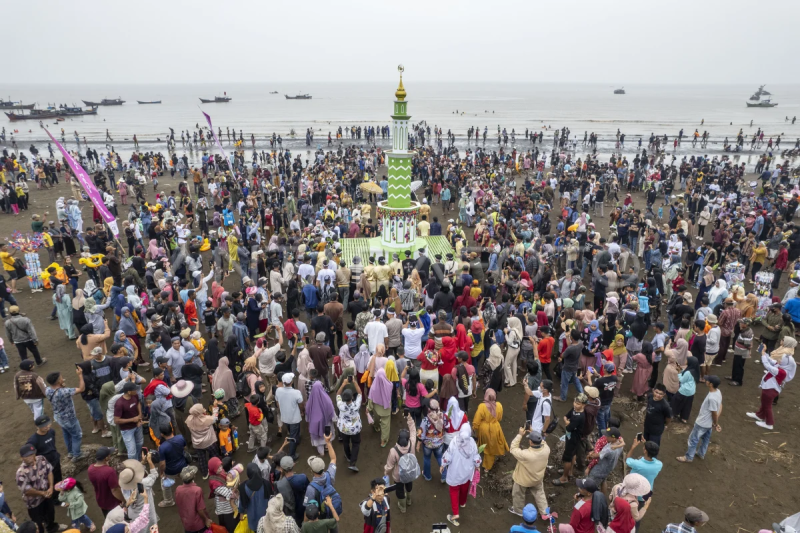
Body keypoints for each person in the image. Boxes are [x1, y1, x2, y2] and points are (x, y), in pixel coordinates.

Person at [16, 443, 64, 533]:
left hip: (47, 495)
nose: (30, 457)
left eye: (32, 454)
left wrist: (50, 487)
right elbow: (27, 491)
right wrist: (42, 493)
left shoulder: (41, 459)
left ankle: (52, 527)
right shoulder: (21, 472)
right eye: (27, 456)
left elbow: (49, 471)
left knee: (50, 513)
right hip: (34, 503)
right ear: (21, 458)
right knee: (38, 524)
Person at [440, 424, 482, 527]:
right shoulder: (472, 442)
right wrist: (477, 466)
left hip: (455, 472)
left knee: (454, 492)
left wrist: (443, 465)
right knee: (464, 488)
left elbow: (448, 456)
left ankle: (455, 514)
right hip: (466, 473)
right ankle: (462, 503)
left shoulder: (455, 441)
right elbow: (476, 456)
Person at [677, 375, 722, 463]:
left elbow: (714, 413)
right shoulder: (718, 392)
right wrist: (714, 422)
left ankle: (689, 457)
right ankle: (701, 453)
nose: (706, 381)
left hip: (702, 423)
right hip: (708, 424)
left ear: (711, 384)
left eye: (707, 380)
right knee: (706, 438)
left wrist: (716, 423)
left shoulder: (712, 398)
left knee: (693, 439)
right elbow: (720, 406)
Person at [44, 368, 86, 461]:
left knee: (66, 434)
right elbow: (81, 389)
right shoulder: (64, 391)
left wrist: (61, 385)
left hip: (58, 417)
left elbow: (57, 389)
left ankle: (70, 452)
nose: (63, 378)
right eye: (61, 378)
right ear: (58, 380)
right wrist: (80, 375)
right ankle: (77, 454)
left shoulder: (47, 390)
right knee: (76, 435)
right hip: (69, 418)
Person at [746, 345, 791, 430]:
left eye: (781, 359)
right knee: (764, 403)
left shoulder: (782, 371)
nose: (779, 360)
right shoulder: (781, 366)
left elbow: (767, 365)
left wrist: (763, 355)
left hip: (771, 389)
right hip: (769, 388)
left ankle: (769, 423)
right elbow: (771, 360)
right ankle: (760, 415)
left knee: (767, 406)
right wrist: (764, 352)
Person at [508, 428, 550, 519]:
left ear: (530, 442)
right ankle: (545, 511)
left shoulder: (526, 454)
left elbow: (513, 448)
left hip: (523, 480)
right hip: (537, 478)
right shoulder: (546, 449)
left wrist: (519, 435)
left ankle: (518, 510)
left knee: (518, 494)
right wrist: (534, 433)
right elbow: (543, 442)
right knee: (539, 493)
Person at [303, 435, 339, 531]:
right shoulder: (329, 474)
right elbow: (333, 459)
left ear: (312, 471)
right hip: (332, 509)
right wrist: (328, 442)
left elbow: (308, 507)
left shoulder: (311, 488)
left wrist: (304, 523)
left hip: (320, 515)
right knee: (334, 526)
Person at [553, 394, 587, 486]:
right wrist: (567, 422)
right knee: (573, 454)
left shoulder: (580, 416)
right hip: (571, 436)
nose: (575, 405)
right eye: (575, 402)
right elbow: (565, 416)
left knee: (567, 458)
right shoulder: (575, 410)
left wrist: (568, 423)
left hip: (573, 438)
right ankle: (569, 472)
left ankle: (564, 478)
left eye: (578, 404)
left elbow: (569, 428)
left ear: (583, 405)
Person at [472, 388, 509, 471]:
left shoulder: (482, 406)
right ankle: (489, 462)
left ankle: (487, 466)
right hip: (495, 427)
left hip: (484, 429)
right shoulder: (499, 405)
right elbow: (499, 418)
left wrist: (474, 428)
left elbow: (476, 420)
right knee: (492, 445)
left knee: (487, 447)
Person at [87, 446, 124, 516]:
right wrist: (124, 500)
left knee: (108, 519)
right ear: (106, 458)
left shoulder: (90, 469)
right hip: (113, 503)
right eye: (109, 455)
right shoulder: (109, 471)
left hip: (101, 500)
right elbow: (115, 490)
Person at [336, 378, 363, 472]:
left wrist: (343, 384)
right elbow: (359, 393)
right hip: (355, 429)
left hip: (344, 429)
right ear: (352, 397)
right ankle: (352, 463)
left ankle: (348, 456)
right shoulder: (356, 405)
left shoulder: (340, 405)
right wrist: (355, 382)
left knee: (345, 442)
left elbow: (337, 394)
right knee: (356, 444)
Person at [157, 424, 188, 507]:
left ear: (162, 434)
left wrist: (161, 472)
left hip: (170, 470)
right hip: (183, 465)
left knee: (165, 485)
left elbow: (162, 464)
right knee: (187, 480)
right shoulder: (181, 437)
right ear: (172, 430)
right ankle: (190, 494)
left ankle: (168, 501)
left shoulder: (162, 447)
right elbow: (185, 448)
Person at [175, 466, 212, 533]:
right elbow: (200, 509)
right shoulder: (197, 490)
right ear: (194, 476)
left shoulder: (178, 489)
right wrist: (206, 519)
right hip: (198, 524)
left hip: (186, 523)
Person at [417, 398, 447, 481]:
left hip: (428, 445)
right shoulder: (443, 416)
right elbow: (446, 427)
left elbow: (421, 435)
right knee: (440, 457)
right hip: (439, 443)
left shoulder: (426, 420)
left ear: (429, 409)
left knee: (427, 458)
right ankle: (444, 475)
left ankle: (427, 476)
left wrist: (418, 444)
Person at [275, 373, 303, 460]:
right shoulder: (296, 392)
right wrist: (302, 411)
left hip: (285, 417)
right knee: (293, 436)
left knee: (292, 431)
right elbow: (301, 404)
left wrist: (282, 410)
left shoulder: (278, 391)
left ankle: (296, 440)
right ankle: (292, 455)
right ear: (291, 382)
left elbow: (277, 403)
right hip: (294, 418)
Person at [114, 381, 143, 460]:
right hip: (127, 430)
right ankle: (133, 466)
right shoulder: (119, 404)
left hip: (137, 425)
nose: (136, 391)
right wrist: (133, 419)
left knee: (140, 443)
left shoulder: (135, 396)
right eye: (135, 390)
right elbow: (116, 420)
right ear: (129, 392)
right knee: (132, 452)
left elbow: (138, 403)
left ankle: (139, 461)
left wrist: (140, 415)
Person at [239, 464, 272, 533]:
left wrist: (241, 513)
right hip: (266, 517)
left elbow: (242, 502)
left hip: (253, 518)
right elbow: (271, 499)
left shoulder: (243, 487)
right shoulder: (266, 484)